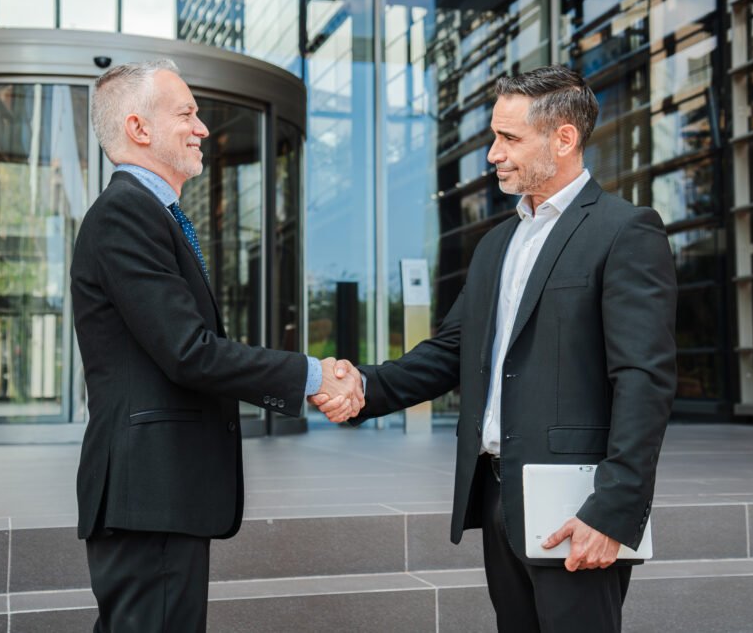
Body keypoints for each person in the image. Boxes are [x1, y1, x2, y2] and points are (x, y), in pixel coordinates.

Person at [316, 65, 676, 632]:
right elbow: (448, 352)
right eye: (494, 137)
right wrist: (363, 388)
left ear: (564, 138)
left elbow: (643, 379)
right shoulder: (496, 244)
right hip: (498, 494)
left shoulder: (625, 231)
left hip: (577, 504)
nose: (492, 154)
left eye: (509, 138)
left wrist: (615, 508)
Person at [71, 59, 362, 633]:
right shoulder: (127, 214)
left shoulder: (153, 214)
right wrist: (313, 376)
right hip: (148, 494)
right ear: (139, 129)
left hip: (159, 494)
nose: (203, 128)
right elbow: (190, 351)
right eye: (187, 113)